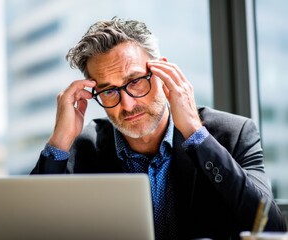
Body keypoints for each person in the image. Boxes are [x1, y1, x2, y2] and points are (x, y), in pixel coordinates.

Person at [30, 17, 287, 239]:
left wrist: (196, 135)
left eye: (136, 82)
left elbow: (271, 227)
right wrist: (60, 140)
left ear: (163, 72)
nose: (127, 105)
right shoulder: (84, 147)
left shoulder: (233, 134)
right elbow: (29, 229)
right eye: (109, 91)